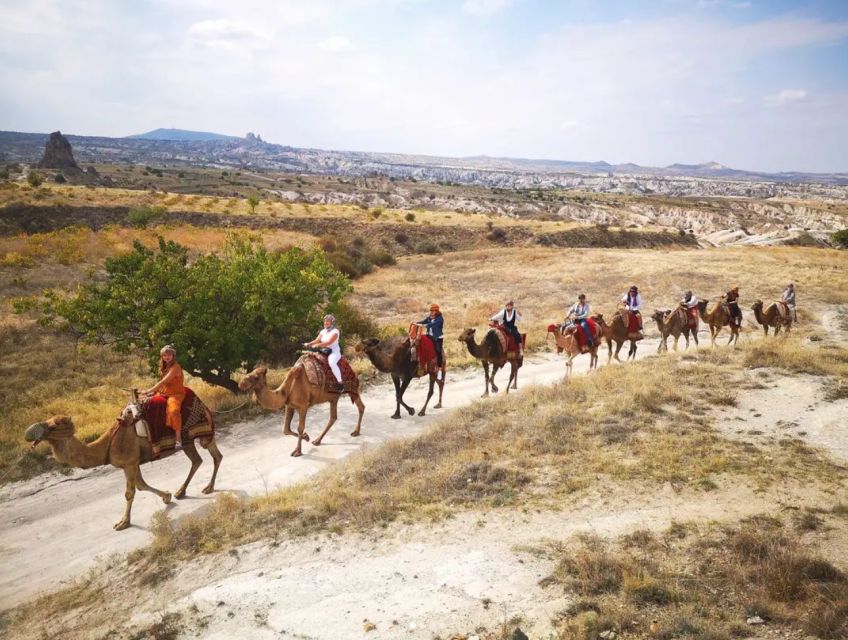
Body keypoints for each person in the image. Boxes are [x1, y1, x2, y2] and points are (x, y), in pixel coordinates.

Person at [142, 345, 186, 446]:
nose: (167, 357)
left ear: (173, 356)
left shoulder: (176, 367)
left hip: (175, 394)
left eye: (169, 355)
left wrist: (149, 390)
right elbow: (162, 384)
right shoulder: (165, 366)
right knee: (149, 403)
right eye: (164, 355)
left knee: (174, 411)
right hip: (164, 392)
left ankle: (178, 438)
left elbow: (163, 382)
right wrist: (151, 392)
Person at [304, 314, 344, 392]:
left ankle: (340, 383)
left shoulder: (335, 331)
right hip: (324, 350)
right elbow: (317, 340)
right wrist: (309, 343)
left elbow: (329, 342)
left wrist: (317, 345)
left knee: (332, 363)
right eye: (325, 321)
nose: (326, 323)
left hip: (333, 352)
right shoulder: (323, 331)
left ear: (332, 323)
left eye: (328, 321)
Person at [417, 303, 445, 375]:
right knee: (422, 344)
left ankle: (439, 366)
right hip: (429, 336)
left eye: (433, 310)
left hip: (437, 337)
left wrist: (426, 325)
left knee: (438, 351)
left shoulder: (440, 319)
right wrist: (416, 323)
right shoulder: (430, 317)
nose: (431, 312)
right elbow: (424, 321)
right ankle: (423, 365)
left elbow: (434, 324)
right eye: (431, 310)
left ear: (436, 311)